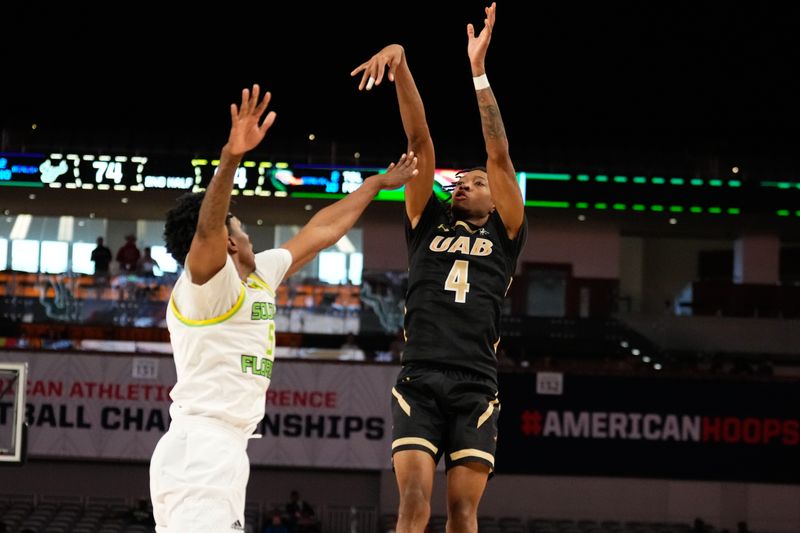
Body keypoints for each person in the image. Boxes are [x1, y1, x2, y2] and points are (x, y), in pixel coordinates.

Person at [149, 84, 418, 533]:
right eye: (241, 226)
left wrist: (374, 185)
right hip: (201, 451)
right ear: (229, 241)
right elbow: (206, 231)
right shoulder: (205, 287)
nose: (249, 232)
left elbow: (323, 230)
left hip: (222, 450)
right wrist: (231, 157)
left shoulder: (258, 274)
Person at [351, 4, 526, 533]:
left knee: (464, 512)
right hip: (420, 375)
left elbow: (498, 152)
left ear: (499, 198)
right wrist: (401, 66)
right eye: (459, 181)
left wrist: (478, 71)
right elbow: (420, 141)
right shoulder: (427, 221)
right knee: (410, 505)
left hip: (476, 380)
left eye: (474, 181)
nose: (462, 185)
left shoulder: (505, 230)